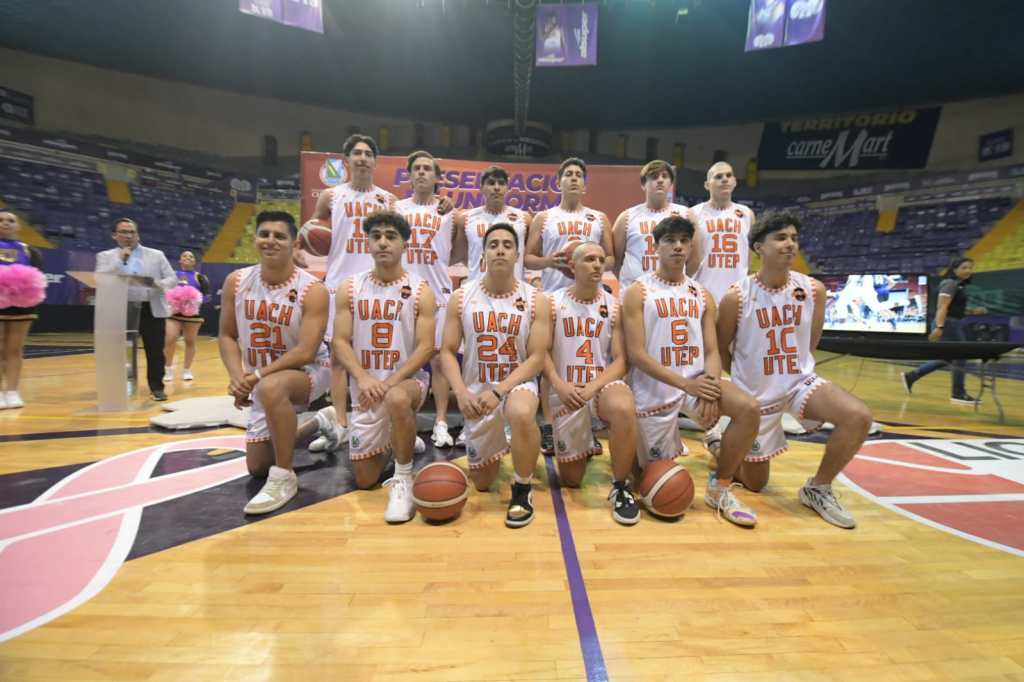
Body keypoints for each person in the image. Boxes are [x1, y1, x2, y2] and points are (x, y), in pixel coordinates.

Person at [716, 212, 872, 529]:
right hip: (756, 396)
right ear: (759, 246)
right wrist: (744, 383)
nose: (790, 244)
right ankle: (721, 445)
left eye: (794, 238)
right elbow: (720, 349)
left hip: (800, 383)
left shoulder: (813, 290)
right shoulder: (737, 296)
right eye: (781, 238)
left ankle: (818, 488)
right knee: (756, 483)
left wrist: (797, 372)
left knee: (858, 416)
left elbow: (810, 343)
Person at [622, 215, 761, 528]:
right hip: (655, 388)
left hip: (697, 383)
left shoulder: (701, 294)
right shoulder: (638, 292)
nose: (678, 247)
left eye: (684, 241)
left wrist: (710, 385)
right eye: (670, 241)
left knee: (750, 409)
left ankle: (720, 488)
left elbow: (712, 350)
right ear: (655, 246)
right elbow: (637, 355)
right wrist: (687, 385)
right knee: (653, 480)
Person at [218, 211, 330, 515]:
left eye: (279, 236)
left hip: (310, 370)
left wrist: (253, 377)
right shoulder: (236, 282)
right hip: (262, 376)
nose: (270, 241)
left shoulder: (313, 290)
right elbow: (227, 336)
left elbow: (306, 351)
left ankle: (284, 477)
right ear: (255, 240)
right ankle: (320, 422)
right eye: (264, 234)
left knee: (270, 387)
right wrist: (236, 376)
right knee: (257, 466)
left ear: (294, 245)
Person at [440, 222, 551, 528]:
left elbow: (537, 357)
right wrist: (461, 392)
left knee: (520, 412)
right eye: (493, 244)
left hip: (516, 384)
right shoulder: (462, 296)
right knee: (482, 483)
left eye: (507, 244)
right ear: (483, 253)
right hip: (477, 390)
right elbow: (447, 351)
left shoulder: (535, 298)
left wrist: (500, 391)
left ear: (517, 254)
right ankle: (503, 443)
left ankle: (522, 485)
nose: (500, 249)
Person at [330, 210, 435, 522]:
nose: (383, 243)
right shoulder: (349, 288)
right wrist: (363, 379)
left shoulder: (420, 290)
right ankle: (400, 435)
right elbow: (339, 342)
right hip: (366, 389)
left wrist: (389, 383)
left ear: (405, 244)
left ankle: (403, 477)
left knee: (397, 399)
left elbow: (426, 347)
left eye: (391, 237)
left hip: (407, 383)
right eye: (376, 237)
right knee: (364, 479)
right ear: (368, 244)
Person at [305, 134, 397, 452]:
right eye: (356, 153)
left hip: (375, 287)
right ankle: (342, 423)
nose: (362, 158)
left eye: (368, 153)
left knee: (375, 353)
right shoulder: (331, 196)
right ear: (346, 161)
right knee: (338, 358)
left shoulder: (388, 200)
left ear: (375, 161)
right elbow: (314, 231)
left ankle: (377, 419)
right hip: (338, 284)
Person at [545, 242, 640, 525]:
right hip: (566, 390)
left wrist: (594, 387)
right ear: (572, 266)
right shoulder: (551, 302)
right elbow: (541, 354)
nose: (597, 265)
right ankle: (584, 439)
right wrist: (560, 386)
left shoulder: (613, 306)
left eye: (600, 259)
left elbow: (622, 360)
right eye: (589, 259)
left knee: (623, 406)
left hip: (600, 387)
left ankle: (621, 487)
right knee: (572, 481)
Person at [526, 157, 613, 454]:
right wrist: (554, 262)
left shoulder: (599, 218)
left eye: (579, 175)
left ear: (585, 185)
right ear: (559, 181)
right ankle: (550, 428)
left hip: (590, 300)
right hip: (553, 294)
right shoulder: (544, 218)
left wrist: (590, 260)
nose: (574, 178)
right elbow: (528, 258)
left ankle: (584, 426)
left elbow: (612, 258)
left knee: (586, 363)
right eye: (569, 174)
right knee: (550, 363)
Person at [687, 162, 757, 460]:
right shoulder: (695, 214)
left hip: (738, 297)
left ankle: (740, 418)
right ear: (707, 184)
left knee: (740, 358)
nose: (725, 179)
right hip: (706, 296)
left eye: (729, 175)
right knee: (706, 362)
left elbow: (751, 256)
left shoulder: (746, 214)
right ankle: (710, 423)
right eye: (718, 176)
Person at [395, 151, 461, 450]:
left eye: (427, 169)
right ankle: (404, 417)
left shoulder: (450, 212)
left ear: (437, 178)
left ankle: (441, 423)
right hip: (403, 293)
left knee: (438, 361)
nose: (421, 173)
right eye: (416, 169)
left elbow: (459, 250)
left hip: (438, 293)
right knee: (402, 357)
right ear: (409, 175)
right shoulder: (396, 209)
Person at [95, 218, 177, 401]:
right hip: (121, 308)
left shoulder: (156, 255)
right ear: (114, 235)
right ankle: (122, 387)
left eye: (132, 232)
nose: (128, 236)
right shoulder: (105, 256)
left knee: (155, 351)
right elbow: (101, 279)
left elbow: (172, 279)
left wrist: (157, 284)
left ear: (137, 234)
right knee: (121, 351)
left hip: (151, 308)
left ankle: (157, 387)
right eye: (123, 232)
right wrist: (120, 260)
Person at [901, 257, 988, 405]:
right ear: (955, 269)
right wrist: (939, 327)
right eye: (964, 267)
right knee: (961, 355)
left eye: (970, 268)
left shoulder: (958, 285)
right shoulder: (949, 284)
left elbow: (954, 308)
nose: (968, 271)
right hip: (948, 323)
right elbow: (942, 307)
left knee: (948, 357)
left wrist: (972, 311)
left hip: (952, 322)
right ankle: (958, 393)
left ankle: (912, 376)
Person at [612, 160, 689, 291]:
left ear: (670, 183)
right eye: (654, 177)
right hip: (634, 291)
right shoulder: (626, 217)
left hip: (672, 292)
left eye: (665, 177)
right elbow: (616, 261)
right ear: (643, 184)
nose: (660, 180)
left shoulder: (685, 214)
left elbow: (693, 258)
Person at [0, 210, 44, 409]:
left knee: (15, 349)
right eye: (1, 220)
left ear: (18, 226)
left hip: (21, 305)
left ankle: (12, 391)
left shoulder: (29, 250)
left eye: (11, 220)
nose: (6, 223)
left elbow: (37, 276)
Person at [164, 250, 210, 382]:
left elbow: (207, 296)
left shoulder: (200, 277)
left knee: (190, 341)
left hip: (192, 315)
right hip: (174, 313)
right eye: (184, 256)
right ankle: (168, 369)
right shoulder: (173, 275)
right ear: (180, 260)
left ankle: (187, 369)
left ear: (194, 262)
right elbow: (165, 291)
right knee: (170, 339)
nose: (188, 258)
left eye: (191, 256)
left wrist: (194, 300)